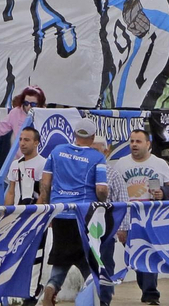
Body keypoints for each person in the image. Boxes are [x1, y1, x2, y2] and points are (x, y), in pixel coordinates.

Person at [38, 117, 113, 306]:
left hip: (60, 212)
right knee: (89, 259)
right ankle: (94, 294)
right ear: (93, 137)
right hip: (84, 214)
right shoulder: (97, 157)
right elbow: (101, 189)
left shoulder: (57, 151)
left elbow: (45, 183)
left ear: (74, 134)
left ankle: (52, 286)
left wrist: (47, 208)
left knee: (61, 257)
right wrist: (102, 204)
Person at [108, 128, 169, 305]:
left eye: (138, 141)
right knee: (137, 257)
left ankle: (151, 294)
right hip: (129, 217)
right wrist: (119, 225)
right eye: (132, 141)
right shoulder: (121, 164)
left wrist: (163, 192)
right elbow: (114, 194)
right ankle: (147, 290)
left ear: (148, 144)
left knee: (150, 254)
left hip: (152, 217)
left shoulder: (159, 164)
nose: (134, 145)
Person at [0, 85, 46, 201]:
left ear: (40, 104)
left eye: (33, 104)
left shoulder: (45, 114)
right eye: (26, 103)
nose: (29, 107)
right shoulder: (15, 113)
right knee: (0, 199)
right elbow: (0, 127)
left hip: (38, 164)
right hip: (17, 164)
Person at [4, 126, 47, 205]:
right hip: (17, 209)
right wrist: (7, 210)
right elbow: (11, 192)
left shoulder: (43, 163)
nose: (22, 143)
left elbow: (43, 194)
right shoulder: (15, 164)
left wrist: (35, 211)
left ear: (36, 143)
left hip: (33, 209)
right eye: (20, 139)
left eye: (26, 140)